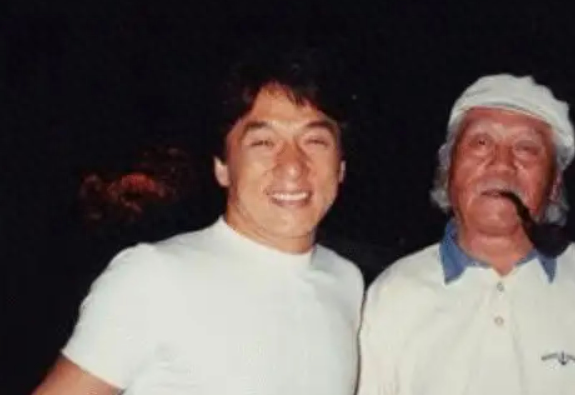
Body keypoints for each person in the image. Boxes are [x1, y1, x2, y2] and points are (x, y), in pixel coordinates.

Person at [33, 45, 364, 395]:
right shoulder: (153, 277)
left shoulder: (346, 282)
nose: (293, 166)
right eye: (264, 142)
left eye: (315, 141)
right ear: (222, 166)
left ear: (341, 165)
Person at [357, 74, 575, 395]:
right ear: (448, 168)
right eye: (481, 143)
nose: (502, 165)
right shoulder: (393, 293)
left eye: (526, 149)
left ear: (554, 185)